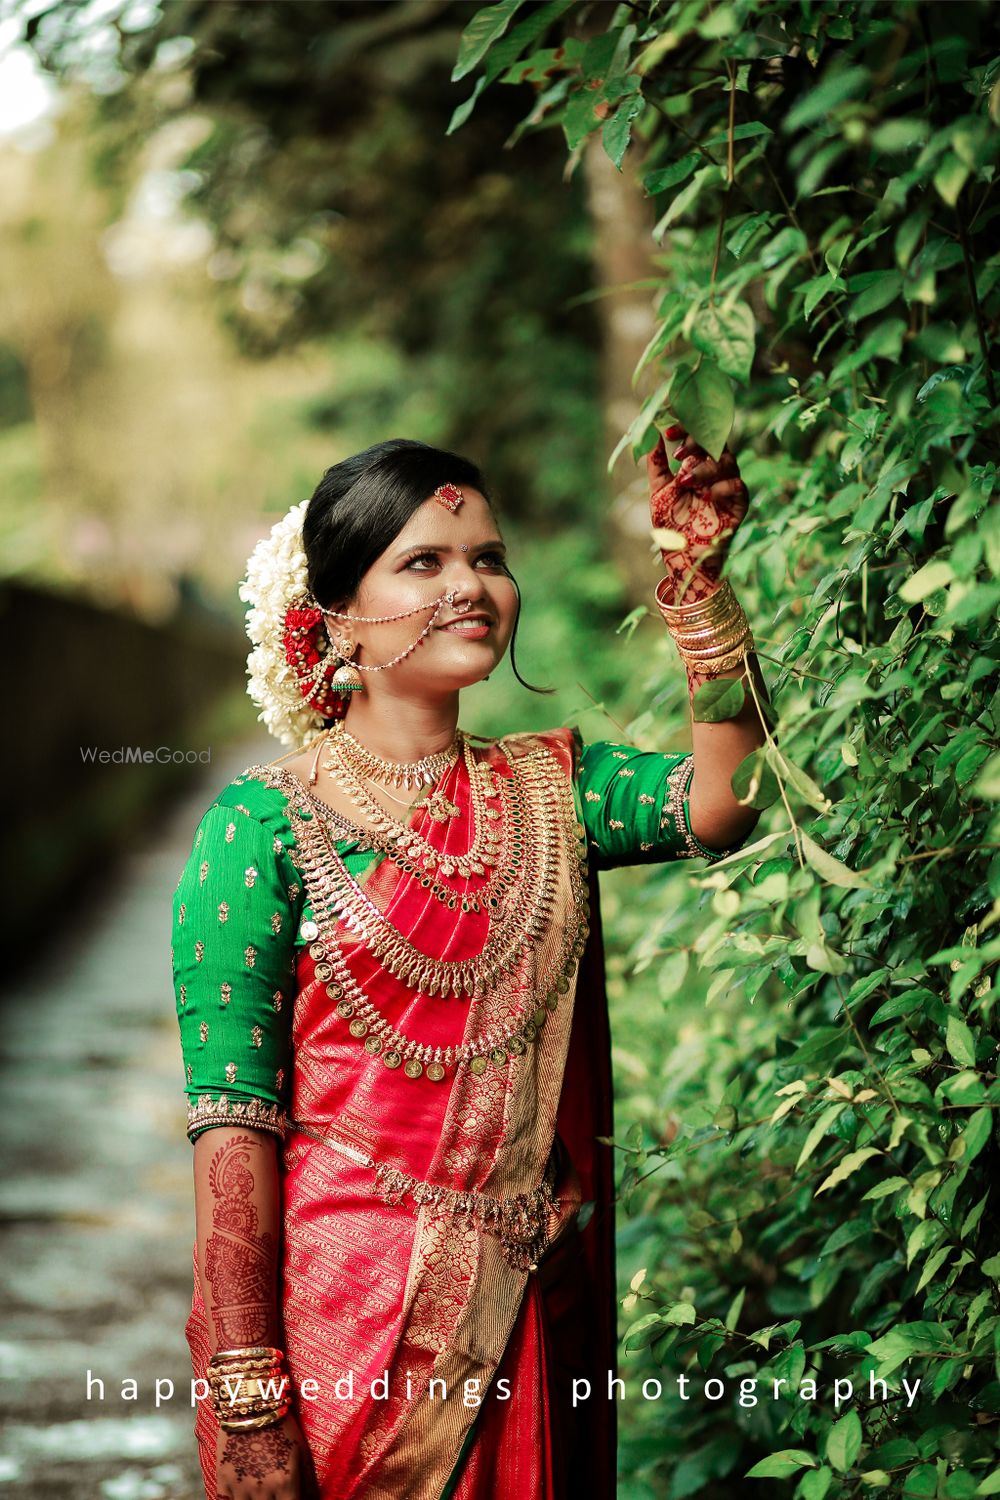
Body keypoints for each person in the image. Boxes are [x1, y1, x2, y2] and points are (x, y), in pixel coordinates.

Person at [171, 431, 767, 1500]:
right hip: (339, 1333)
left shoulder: (553, 794)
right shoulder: (257, 829)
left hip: (527, 1314)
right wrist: (247, 1390)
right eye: (424, 562)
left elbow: (723, 804)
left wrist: (698, 596)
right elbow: (232, 1129)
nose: (471, 586)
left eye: (487, 557)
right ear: (337, 615)